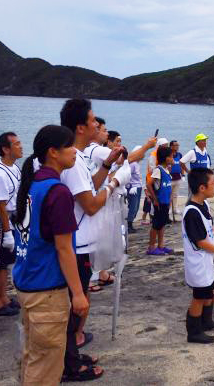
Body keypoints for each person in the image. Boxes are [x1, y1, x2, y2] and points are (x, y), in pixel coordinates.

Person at [11, 125, 99, 384]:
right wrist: (79, 293)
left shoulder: (32, 184)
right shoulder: (57, 191)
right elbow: (63, 248)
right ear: (53, 152)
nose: (74, 151)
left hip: (27, 281)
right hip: (47, 288)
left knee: (33, 355)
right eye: (69, 146)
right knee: (47, 363)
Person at [59, 99, 129, 361]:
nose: (96, 125)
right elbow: (89, 204)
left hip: (79, 241)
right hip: (75, 242)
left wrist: (108, 166)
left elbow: (87, 187)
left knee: (76, 301)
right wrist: (113, 184)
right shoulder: (73, 160)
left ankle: (72, 354)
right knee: (74, 302)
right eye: (92, 121)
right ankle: (70, 361)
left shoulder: (75, 157)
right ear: (80, 127)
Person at [182, 167, 214, 344]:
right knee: (199, 296)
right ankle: (194, 332)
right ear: (201, 188)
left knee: (209, 291)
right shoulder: (191, 212)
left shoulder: (203, 205)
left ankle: (207, 322)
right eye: (213, 184)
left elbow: (211, 226)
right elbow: (200, 241)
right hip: (198, 262)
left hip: (208, 260)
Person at [0, 131, 23, 316]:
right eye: (16, 144)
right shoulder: (0, 173)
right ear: (5, 149)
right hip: (1, 224)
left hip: (13, 220)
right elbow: (0, 205)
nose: (21, 147)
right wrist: (7, 231)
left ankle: (4, 297)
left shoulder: (15, 168)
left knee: (6, 263)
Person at [145, 146, 174, 255]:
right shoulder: (158, 170)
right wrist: (155, 199)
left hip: (165, 202)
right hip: (160, 202)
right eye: (171, 157)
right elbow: (149, 184)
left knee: (162, 224)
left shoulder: (166, 170)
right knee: (156, 225)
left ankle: (161, 245)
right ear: (166, 159)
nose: (173, 159)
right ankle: (151, 247)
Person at [141, 137, 169, 226]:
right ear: (160, 146)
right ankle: (153, 219)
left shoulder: (163, 154)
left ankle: (158, 219)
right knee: (152, 200)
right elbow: (152, 168)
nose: (166, 147)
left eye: (167, 145)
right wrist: (161, 169)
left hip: (160, 179)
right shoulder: (153, 154)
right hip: (152, 180)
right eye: (165, 145)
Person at [169, 140, 184, 221]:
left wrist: (183, 175)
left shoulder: (179, 155)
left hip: (178, 177)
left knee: (175, 195)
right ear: (171, 146)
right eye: (175, 145)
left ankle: (175, 209)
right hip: (170, 179)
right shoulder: (169, 155)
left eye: (178, 145)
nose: (177, 147)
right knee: (169, 195)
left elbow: (181, 165)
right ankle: (169, 210)